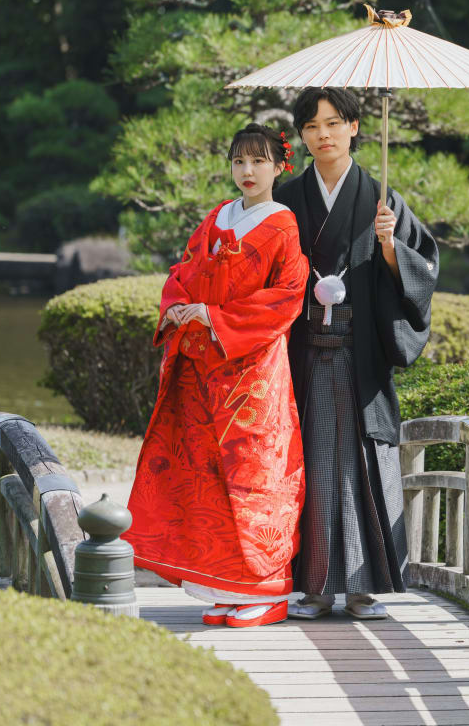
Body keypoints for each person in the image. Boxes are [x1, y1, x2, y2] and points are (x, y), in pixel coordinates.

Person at [124, 123, 309, 629]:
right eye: (238, 161)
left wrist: (216, 317)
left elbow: (287, 295)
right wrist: (182, 307)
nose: (247, 172)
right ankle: (223, 585)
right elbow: (182, 272)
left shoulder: (283, 224)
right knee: (205, 475)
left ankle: (266, 590)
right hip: (204, 367)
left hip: (252, 370)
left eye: (259, 161)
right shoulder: (217, 218)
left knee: (253, 473)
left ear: (279, 167)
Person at [274, 87, 439, 620]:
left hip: (359, 349)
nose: (323, 134)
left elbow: (423, 269)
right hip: (303, 350)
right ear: (301, 137)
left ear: (354, 128)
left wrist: (390, 245)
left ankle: (367, 587)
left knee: (365, 462)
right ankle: (315, 586)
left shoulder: (380, 198)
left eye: (333, 123)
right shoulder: (289, 197)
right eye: (311, 126)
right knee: (312, 463)